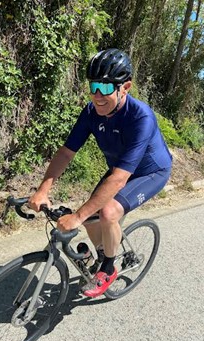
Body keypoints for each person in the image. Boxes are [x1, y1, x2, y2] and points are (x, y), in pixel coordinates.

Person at [29, 48, 172, 298]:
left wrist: (77, 216)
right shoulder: (91, 112)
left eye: (106, 88)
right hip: (120, 169)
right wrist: (43, 190)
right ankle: (103, 254)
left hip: (151, 172)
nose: (97, 95)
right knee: (90, 216)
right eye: (94, 86)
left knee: (107, 212)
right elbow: (66, 153)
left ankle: (108, 268)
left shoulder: (141, 118)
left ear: (124, 87)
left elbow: (119, 180)